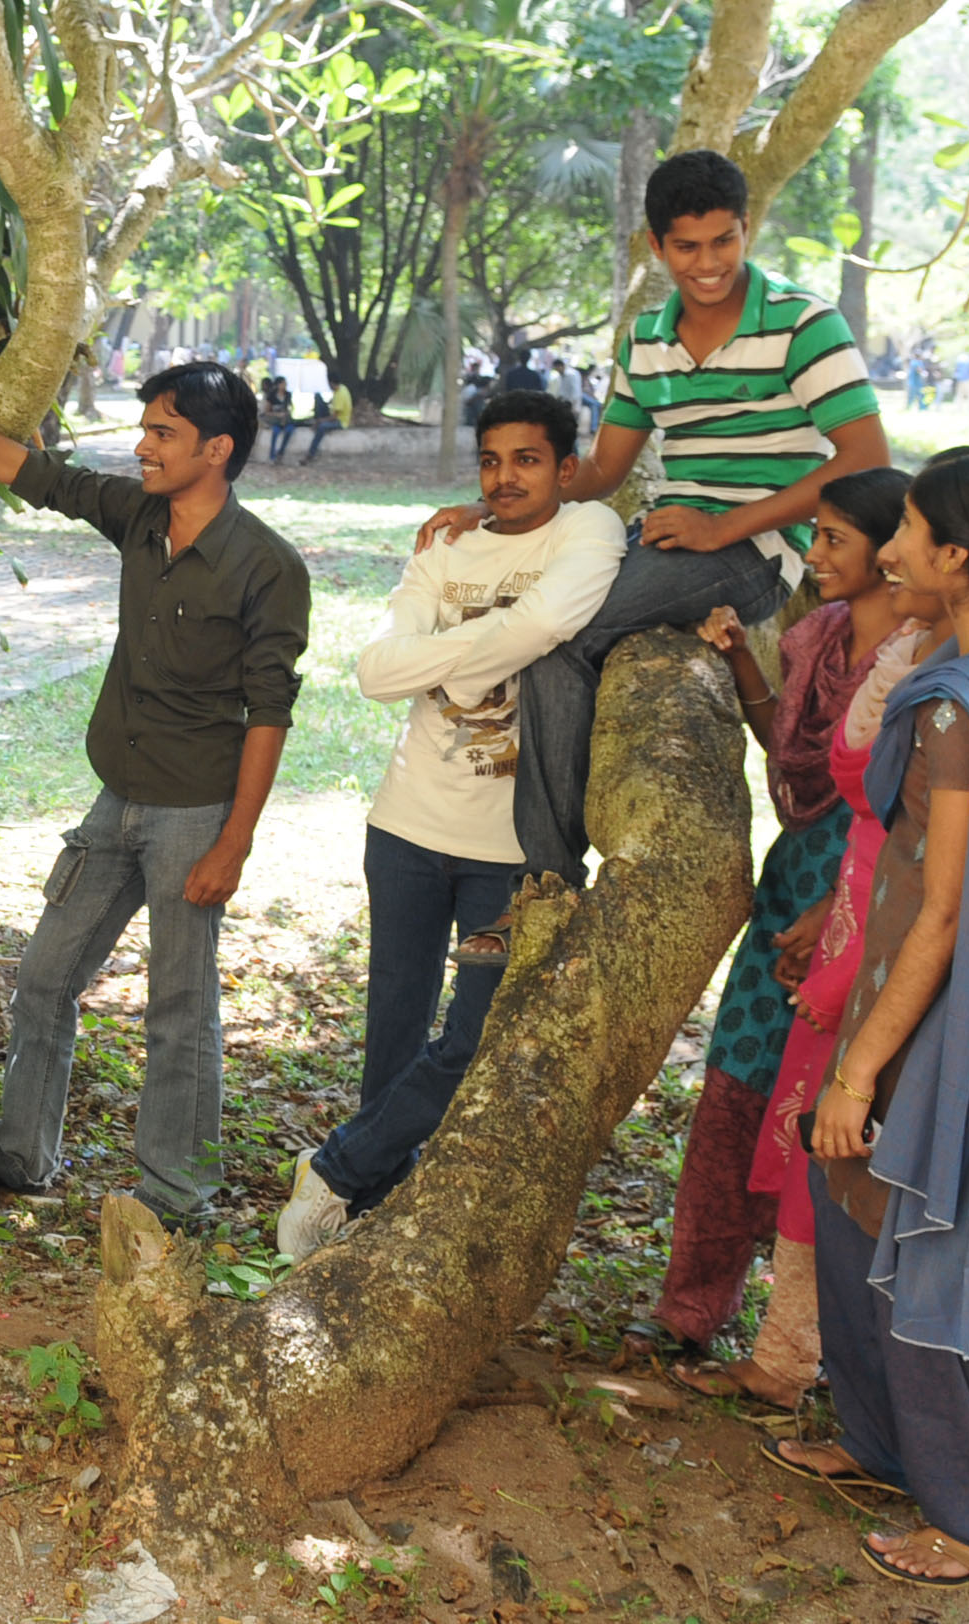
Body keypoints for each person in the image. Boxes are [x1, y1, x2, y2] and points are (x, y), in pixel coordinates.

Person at [417, 149, 891, 952]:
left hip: (758, 550)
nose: (707, 264)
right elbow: (603, 470)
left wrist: (725, 527)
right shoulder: (645, 340)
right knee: (551, 646)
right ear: (655, 245)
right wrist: (495, 498)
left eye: (723, 242)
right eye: (686, 246)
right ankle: (549, 879)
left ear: (748, 230)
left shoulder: (805, 323)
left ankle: (545, 883)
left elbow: (865, 459)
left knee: (552, 638)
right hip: (669, 537)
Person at [768, 447, 969, 1587]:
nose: (891, 548)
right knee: (848, 1189)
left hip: (943, 989)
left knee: (925, 1227)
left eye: (907, 527)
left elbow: (949, 908)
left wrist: (858, 1067)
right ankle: (879, 1442)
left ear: (956, 556)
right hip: (905, 968)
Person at [0, 362, 310, 1223]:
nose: (142, 447)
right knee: (42, 980)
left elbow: (270, 713)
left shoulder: (266, 564)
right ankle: (21, 1158)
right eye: (144, 429)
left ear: (217, 450)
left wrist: (236, 842)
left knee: (180, 1009)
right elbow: (20, 468)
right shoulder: (139, 516)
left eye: (163, 434)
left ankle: (177, 1195)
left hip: (195, 814)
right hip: (117, 801)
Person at [275, 392, 622, 1254]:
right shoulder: (445, 547)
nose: (507, 478)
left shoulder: (589, 534)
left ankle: (334, 1170)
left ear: (565, 469)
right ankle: (369, 1213)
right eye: (492, 461)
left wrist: (450, 671)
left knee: (473, 1034)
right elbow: (377, 670)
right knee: (393, 1023)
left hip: (511, 848)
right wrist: (493, 658)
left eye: (529, 460)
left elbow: (548, 619)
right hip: (405, 827)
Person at [632, 468, 911, 1383]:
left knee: (834, 1115)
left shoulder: (923, 660)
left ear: (892, 551)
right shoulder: (816, 637)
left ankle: (810, 1345)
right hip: (790, 882)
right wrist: (747, 664)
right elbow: (789, 758)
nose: (818, 555)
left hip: (870, 912)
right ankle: (689, 1311)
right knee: (733, 1098)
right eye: (816, 536)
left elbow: (913, 820)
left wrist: (845, 914)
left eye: (835, 539)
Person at [260, 373, 297, 465]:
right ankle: (272, 456)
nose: (285, 386)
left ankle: (280, 453)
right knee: (275, 432)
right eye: (283, 384)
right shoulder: (271, 396)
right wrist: (278, 415)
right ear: (278, 385)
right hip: (276, 421)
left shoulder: (288, 395)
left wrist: (287, 414)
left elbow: (291, 408)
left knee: (290, 430)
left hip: (286, 420)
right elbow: (266, 412)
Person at [301, 394, 341, 465]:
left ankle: (311, 453)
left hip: (339, 421)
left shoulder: (340, 394)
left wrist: (321, 421)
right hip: (330, 418)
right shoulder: (337, 393)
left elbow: (334, 417)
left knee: (321, 427)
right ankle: (311, 453)